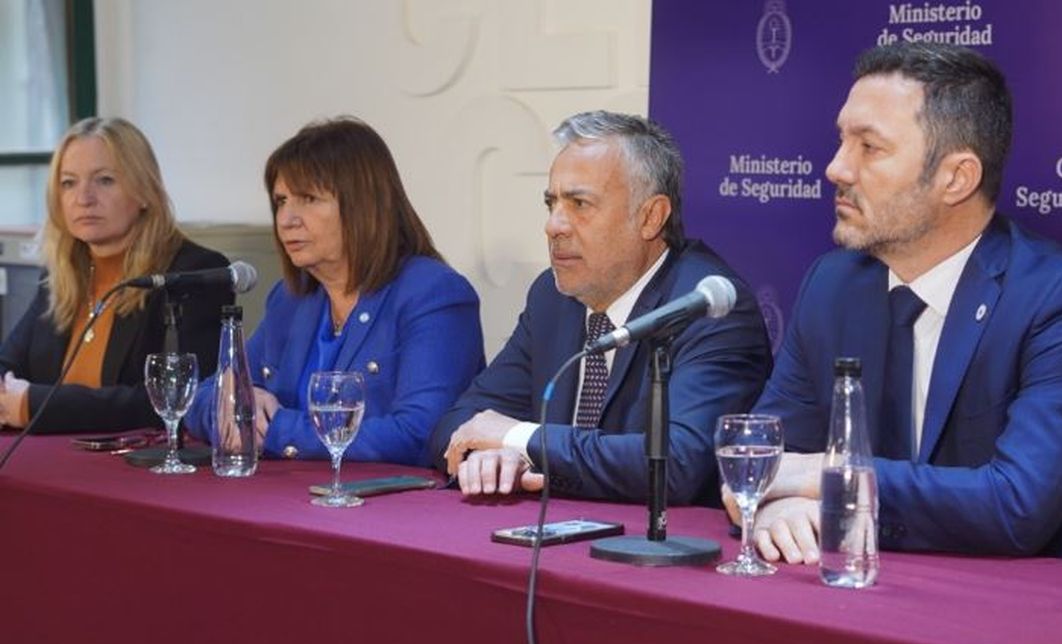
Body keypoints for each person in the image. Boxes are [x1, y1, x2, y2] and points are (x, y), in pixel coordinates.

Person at [737, 43, 1062, 563]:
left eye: (870, 147)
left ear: (956, 178)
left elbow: (1017, 506)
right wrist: (769, 510)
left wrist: (822, 478)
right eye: (841, 141)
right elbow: (757, 463)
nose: (836, 168)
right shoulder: (831, 285)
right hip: (864, 591)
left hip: (1028, 609)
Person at [431, 110, 771, 504]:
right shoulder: (552, 297)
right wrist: (499, 457)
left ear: (650, 217)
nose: (554, 225)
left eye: (579, 204)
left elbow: (677, 465)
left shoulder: (707, 308)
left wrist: (521, 439)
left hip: (658, 553)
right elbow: (462, 423)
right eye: (551, 204)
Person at [186, 117, 483, 464]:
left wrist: (274, 428)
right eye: (281, 201)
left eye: (308, 198)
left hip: (386, 506)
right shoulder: (290, 299)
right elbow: (204, 396)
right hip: (291, 497)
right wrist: (234, 406)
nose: (287, 219)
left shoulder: (434, 295)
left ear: (363, 206)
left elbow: (421, 434)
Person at [0, 117, 230, 433]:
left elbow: (174, 400)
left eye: (105, 180)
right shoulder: (59, 274)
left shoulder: (192, 273)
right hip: (51, 462)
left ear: (145, 191)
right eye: (68, 183)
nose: (84, 198)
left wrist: (34, 405)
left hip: (133, 471)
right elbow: (8, 364)